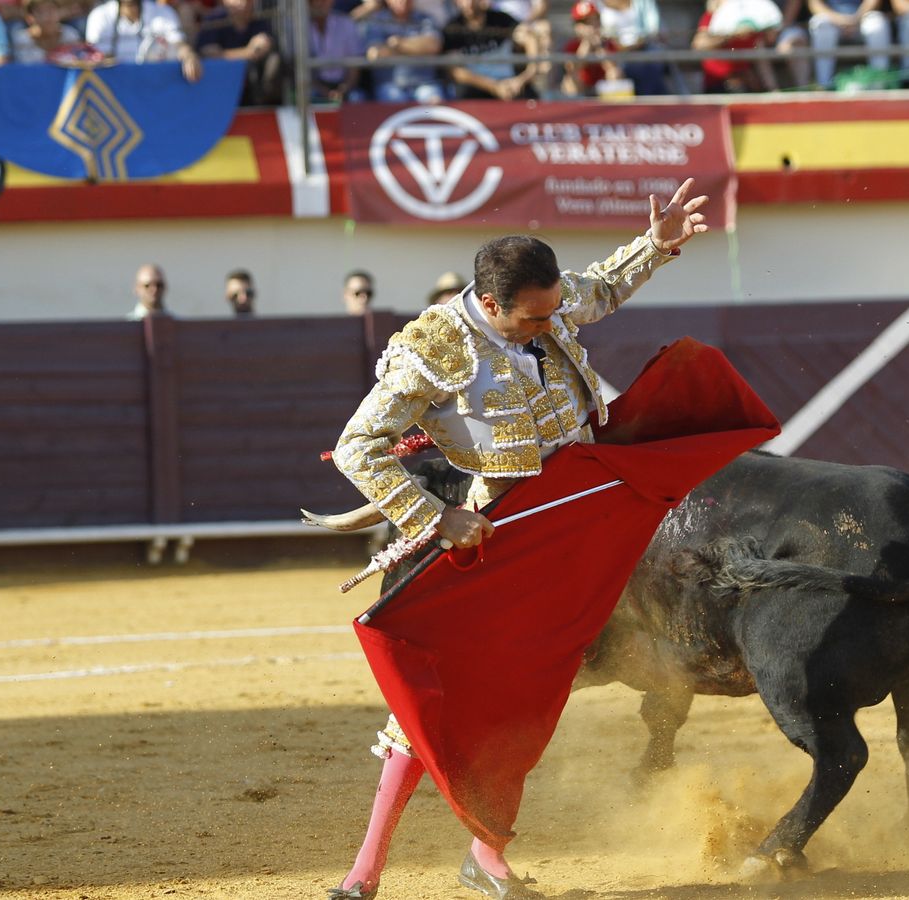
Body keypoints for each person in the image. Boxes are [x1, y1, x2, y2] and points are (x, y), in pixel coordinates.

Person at [327, 178, 712, 900]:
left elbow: (593, 291)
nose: (552, 323)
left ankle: (487, 857)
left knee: (535, 696)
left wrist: (655, 248)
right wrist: (434, 517)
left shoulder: (548, 304)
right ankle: (365, 869)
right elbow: (356, 448)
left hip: (583, 512)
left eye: (551, 311)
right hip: (504, 533)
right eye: (533, 319)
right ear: (492, 304)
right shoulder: (432, 349)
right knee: (446, 691)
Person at [441, 0, 535, 100]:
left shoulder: (501, 19)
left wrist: (525, 76)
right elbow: (455, 72)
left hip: (511, 85)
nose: (469, 4)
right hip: (477, 88)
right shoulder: (452, 29)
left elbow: (528, 36)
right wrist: (494, 87)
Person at [195, 0, 281, 105]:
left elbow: (265, 44)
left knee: (274, 61)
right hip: (221, 87)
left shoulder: (259, 21)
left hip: (253, 87)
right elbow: (208, 53)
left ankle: (264, 103)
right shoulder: (215, 19)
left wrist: (230, 54)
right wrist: (247, 52)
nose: (243, 3)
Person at [86, 0, 201, 77]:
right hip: (115, 83)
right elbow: (93, 55)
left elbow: (179, 43)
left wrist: (189, 56)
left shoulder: (163, 11)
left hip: (155, 81)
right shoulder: (99, 15)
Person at [359, 0, 445, 103]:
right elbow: (375, 54)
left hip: (424, 83)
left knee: (436, 101)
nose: (403, 2)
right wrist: (417, 48)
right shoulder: (376, 20)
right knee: (393, 99)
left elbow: (433, 46)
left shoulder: (425, 19)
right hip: (390, 85)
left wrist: (397, 44)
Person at [808, 0, 890, 88]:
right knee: (822, 26)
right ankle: (824, 85)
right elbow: (815, 4)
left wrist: (855, 19)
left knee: (877, 23)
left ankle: (879, 84)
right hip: (831, 19)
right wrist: (840, 20)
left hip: (862, 17)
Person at [594, 0, 669, 94]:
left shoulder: (644, 2)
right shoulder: (595, 2)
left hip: (643, 49)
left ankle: (647, 101)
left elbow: (652, 30)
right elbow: (597, 32)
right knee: (613, 72)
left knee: (649, 62)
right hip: (611, 52)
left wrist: (635, 45)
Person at [308, 0, 366, 102]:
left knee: (357, 98)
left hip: (344, 86)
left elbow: (354, 68)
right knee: (308, 95)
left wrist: (343, 89)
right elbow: (297, 71)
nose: (320, 3)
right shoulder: (298, 27)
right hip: (313, 87)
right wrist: (323, 91)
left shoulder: (346, 23)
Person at [561, 0, 621, 97]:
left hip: (603, 87)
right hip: (583, 88)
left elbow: (612, 66)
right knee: (570, 81)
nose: (591, 26)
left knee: (615, 73)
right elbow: (573, 68)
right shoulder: (572, 45)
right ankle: (576, 108)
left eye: (594, 20)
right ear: (577, 26)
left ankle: (615, 109)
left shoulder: (607, 43)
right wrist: (587, 43)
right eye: (585, 22)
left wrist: (599, 45)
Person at [10, 0, 80, 63]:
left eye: (51, 10)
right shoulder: (20, 40)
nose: (47, 16)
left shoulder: (71, 36)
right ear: (30, 17)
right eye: (40, 12)